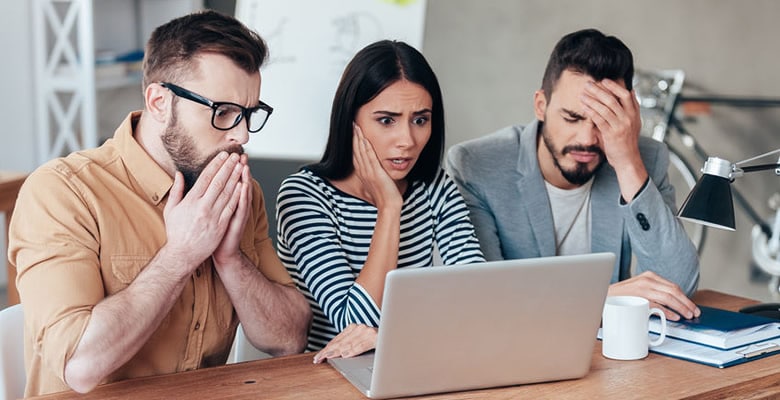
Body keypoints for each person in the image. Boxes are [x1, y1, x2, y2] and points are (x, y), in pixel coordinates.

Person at [8, 10, 311, 396]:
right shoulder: (63, 192)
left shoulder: (238, 191)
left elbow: (288, 339)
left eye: (249, 114)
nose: (242, 134)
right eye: (224, 113)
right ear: (159, 102)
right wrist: (181, 254)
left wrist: (230, 259)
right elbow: (80, 365)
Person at [447, 29, 701, 321]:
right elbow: (482, 298)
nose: (588, 138)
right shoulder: (477, 167)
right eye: (572, 117)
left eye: (604, 121)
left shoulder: (643, 158)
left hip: (608, 354)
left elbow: (678, 287)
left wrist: (628, 162)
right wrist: (602, 297)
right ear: (541, 105)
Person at [275, 40, 485, 362]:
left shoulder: (434, 187)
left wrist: (394, 337)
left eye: (420, 120)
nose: (407, 141)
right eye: (387, 120)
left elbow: (478, 298)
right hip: (329, 375)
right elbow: (354, 325)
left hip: (410, 362)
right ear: (351, 121)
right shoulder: (304, 196)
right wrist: (389, 208)